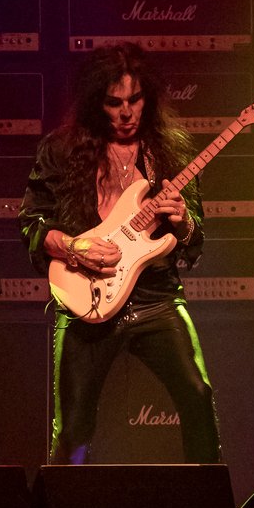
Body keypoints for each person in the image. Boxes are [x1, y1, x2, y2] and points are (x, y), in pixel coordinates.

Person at [19, 42, 221, 465]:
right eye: (114, 103)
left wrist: (183, 220)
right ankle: (61, 506)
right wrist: (73, 247)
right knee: (73, 430)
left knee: (198, 395)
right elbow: (32, 225)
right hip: (86, 298)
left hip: (155, 298)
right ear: (97, 102)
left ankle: (205, 504)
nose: (127, 113)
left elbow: (195, 239)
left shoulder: (171, 151)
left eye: (135, 100)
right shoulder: (61, 150)